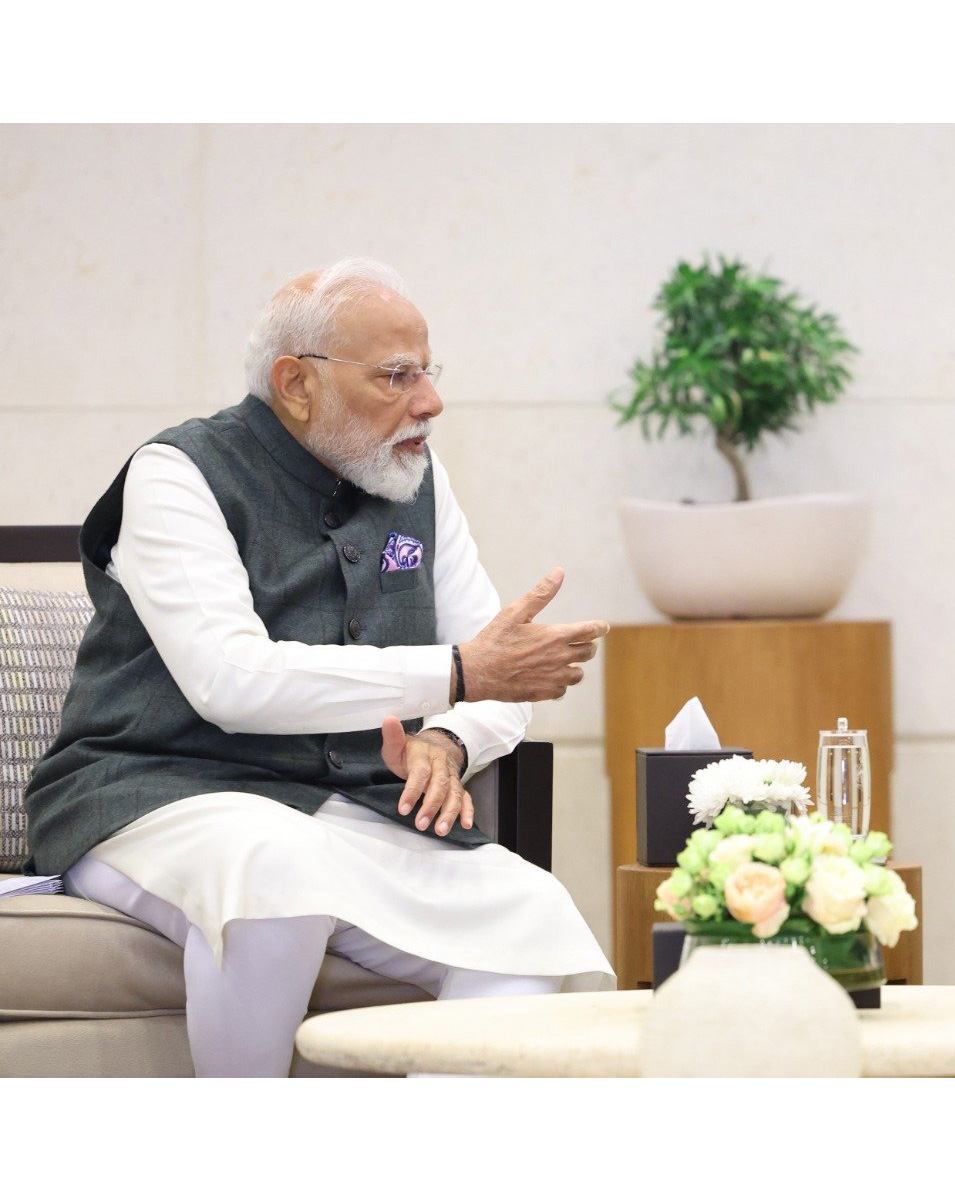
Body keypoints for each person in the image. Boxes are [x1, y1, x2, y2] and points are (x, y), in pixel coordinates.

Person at [24, 258, 615, 1076]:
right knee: (275, 864)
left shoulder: (416, 478)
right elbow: (232, 679)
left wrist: (447, 739)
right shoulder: (179, 474)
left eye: (428, 373)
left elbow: (494, 671)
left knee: (534, 918)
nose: (430, 402)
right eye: (396, 376)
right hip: (155, 793)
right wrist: (456, 675)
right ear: (296, 384)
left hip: (333, 809)